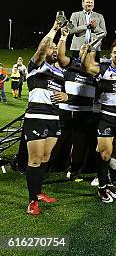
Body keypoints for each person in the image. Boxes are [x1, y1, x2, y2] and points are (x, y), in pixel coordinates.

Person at [82, 39, 116, 203]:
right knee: (105, 154)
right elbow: (86, 67)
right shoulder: (104, 69)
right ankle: (102, 187)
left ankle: (109, 182)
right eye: (115, 52)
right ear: (111, 55)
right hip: (106, 116)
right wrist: (88, 50)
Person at [24, 21, 68, 215]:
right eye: (50, 46)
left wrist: (67, 96)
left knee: (45, 157)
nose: (52, 49)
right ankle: (32, 201)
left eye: (54, 48)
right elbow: (42, 47)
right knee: (34, 159)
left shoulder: (60, 72)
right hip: (36, 116)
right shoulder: (35, 65)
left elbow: (64, 93)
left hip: (53, 117)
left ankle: (39, 192)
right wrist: (55, 29)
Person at [56, 27, 98, 181]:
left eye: (89, 49)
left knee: (79, 142)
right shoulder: (72, 63)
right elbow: (60, 57)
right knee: (59, 141)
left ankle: (74, 169)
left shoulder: (96, 69)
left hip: (85, 111)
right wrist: (63, 37)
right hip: (65, 109)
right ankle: (50, 166)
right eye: (83, 49)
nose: (86, 51)